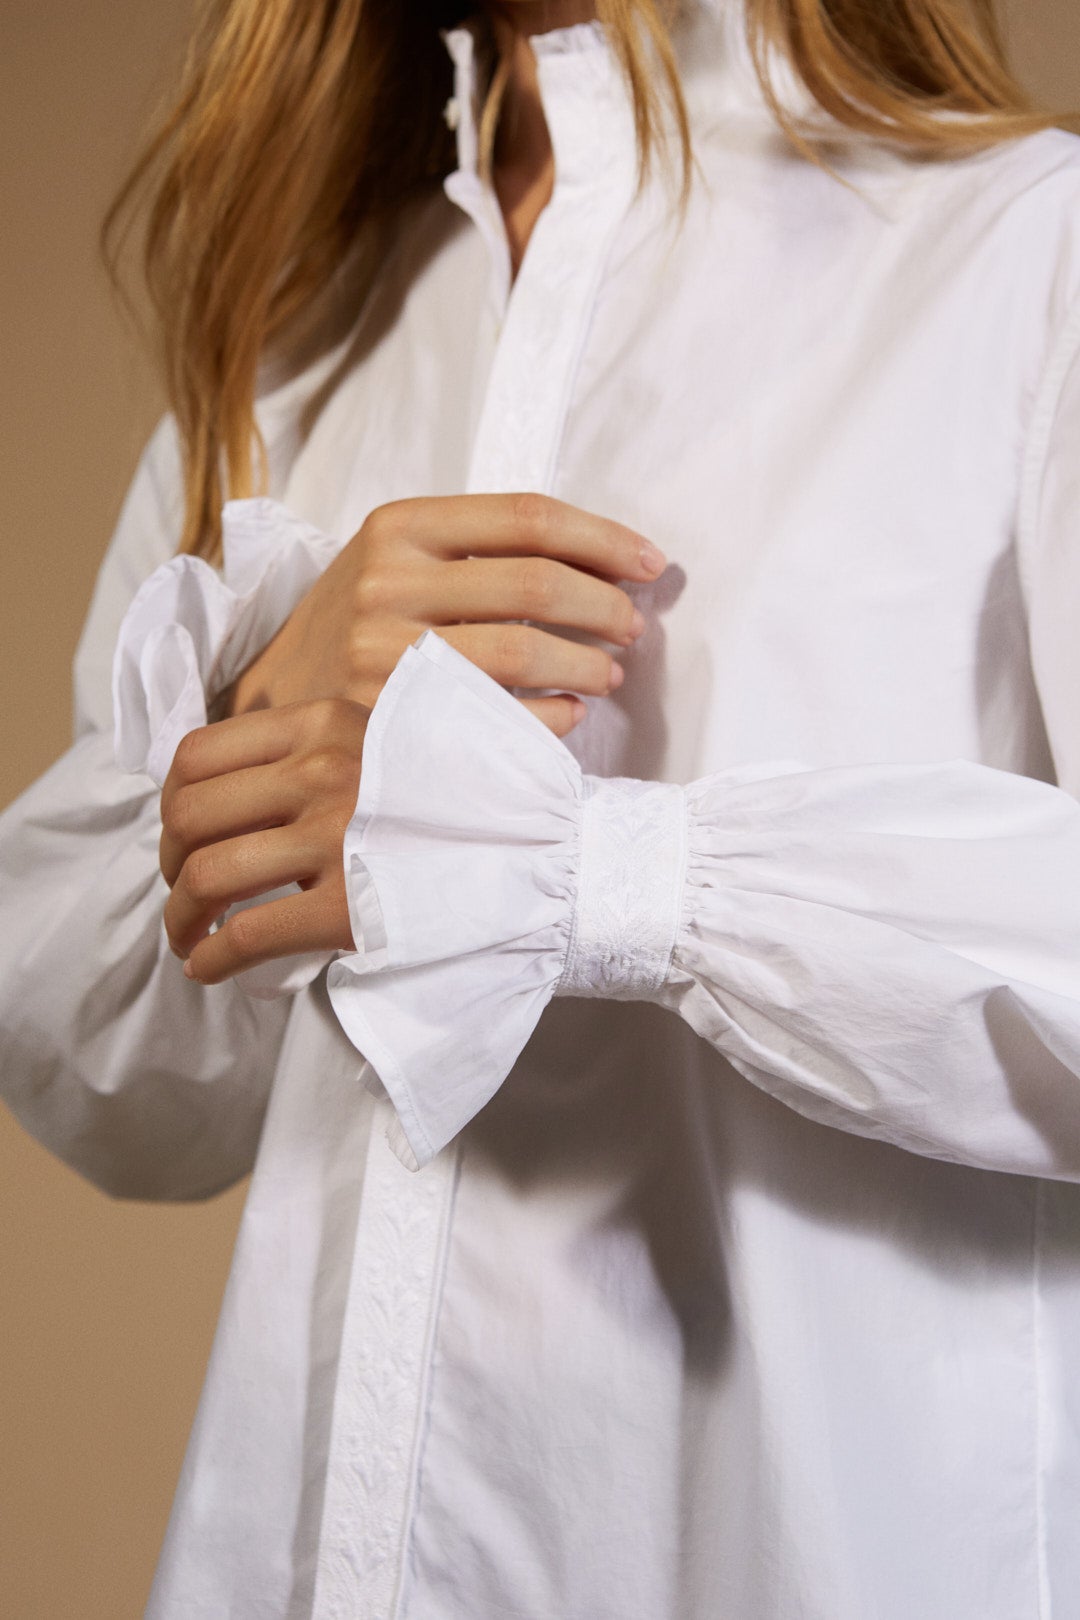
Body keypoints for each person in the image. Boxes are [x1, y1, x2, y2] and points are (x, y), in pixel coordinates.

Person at [3, 0, 1080, 1613]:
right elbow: (105, 1086)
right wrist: (265, 712)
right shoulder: (296, 352)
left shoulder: (1023, 251)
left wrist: (603, 879)